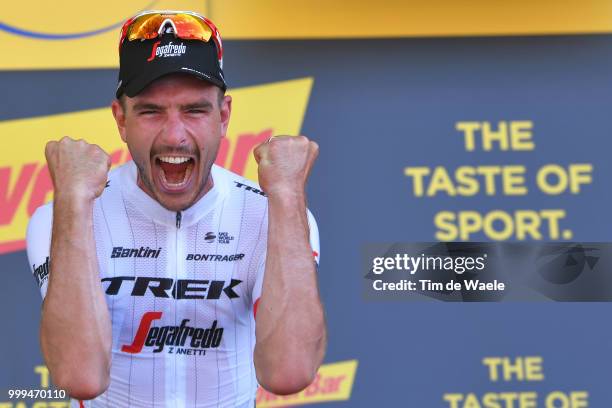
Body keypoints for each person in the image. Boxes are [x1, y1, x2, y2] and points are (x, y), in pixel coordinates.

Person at [26, 10, 326, 408]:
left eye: (194, 110)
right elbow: (79, 376)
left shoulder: (275, 214)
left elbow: (289, 373)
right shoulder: (61, 216)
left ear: (223, 117)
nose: (174, 135)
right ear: (121, 119)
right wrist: (73, 204)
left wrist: (287, 196)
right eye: (151, 111)